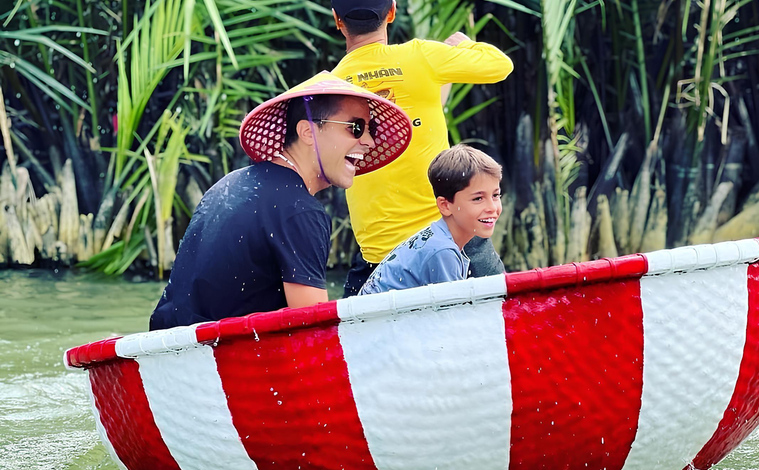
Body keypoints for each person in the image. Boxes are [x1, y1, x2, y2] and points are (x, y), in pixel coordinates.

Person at [149, 72, 412, 330]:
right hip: (220, 361)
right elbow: (313, 332)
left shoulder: (230, 183)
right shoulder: (300, 211)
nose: (368, 141)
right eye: (356, 128)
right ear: (308, 132)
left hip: (172, 351)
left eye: (371, 129)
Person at [330, 0, 513, 297]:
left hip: (382, 260)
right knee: (503, 327)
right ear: (392, 12)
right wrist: (464, 47)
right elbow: (500, 65)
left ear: (337, 20)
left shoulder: (330, 86)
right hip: (454, 240)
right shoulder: (422, 57)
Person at [359, 144, 502, 295]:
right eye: (478, 198)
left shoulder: (438, 237)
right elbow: (452, 313)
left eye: (495, 195)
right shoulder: (442, 251)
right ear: (445, 205)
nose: (492, 207)